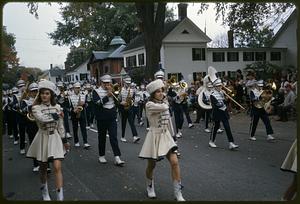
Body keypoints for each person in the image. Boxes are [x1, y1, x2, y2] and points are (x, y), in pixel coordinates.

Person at [139, 79, 185, 201]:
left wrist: (174, 139)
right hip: (154, 136)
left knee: (175, 162)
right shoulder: (149, 105)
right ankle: (150, 186)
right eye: (158, 92)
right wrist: (167, 99)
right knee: (151, 165)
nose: (161, 93)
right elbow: (164, 107)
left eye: (162, 91)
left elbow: (169, 121)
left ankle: (178, 192)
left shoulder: (164, 103)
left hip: (166, 135)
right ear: (153, 94)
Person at [26, 79, 70, 200]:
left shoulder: (57, 106)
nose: (44, 95)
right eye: (42, 93)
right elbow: (42, 119)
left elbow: (60, 126)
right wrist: (57, 115)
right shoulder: (35, 108)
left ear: (51, 95)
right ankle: (44, 191)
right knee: (43, 168)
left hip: (55, 137)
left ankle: (60, 197)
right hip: (43, 137)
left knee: (57, 167)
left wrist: (65, 141)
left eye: (47, 93)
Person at [92, 74, 125, 166]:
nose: (107, 85)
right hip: (102, 118)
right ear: (101, 83)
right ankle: (101, 155)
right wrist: (107, 95)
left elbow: (118, 101)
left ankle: (117, 157)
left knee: (113, 137)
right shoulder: (96, 91)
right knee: (102, 137)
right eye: (105, 83)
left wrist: (116, 95)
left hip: (112, 117)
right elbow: (98, 103)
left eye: (108, 83)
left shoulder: (114, 90)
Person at [209, 78, 239, 150]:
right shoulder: (212, 95)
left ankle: (231, 143)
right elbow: (217, 104)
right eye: (218, 86)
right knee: (215, 127)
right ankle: (211, 141)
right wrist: (224, 100)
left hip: (224, 112)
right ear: (215, 87)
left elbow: (226, 102)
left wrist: (227, 98)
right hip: (217, 112)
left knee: (227, 127)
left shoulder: (222, 92)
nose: (220, 87)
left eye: (220, 86)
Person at [20, 82, 40, 171]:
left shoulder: (42, 100)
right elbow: (22, 110)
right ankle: (36, 164)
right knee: (34, 144)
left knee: (43, 144)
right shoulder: (25, 101)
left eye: (36, 91)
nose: (35, 93)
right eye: (33, 91)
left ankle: (45, 165)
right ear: (30, 92)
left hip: (41, 125)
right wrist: (32, 106)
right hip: (31, 125)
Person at [68, 82, 91, 148]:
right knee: (75, 128)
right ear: (73, 88)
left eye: (79, 88)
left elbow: (87, 105)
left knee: (83, 128)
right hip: (74, 113)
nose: (78, 89)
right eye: (76, 88)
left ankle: (85, 142)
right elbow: (68, 107)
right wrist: (73, 110)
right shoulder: (70, 96)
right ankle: (76, 141)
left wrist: (84, 104)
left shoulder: (83, 95)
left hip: (82, 113)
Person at [119, 76, 140, 143]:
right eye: (127, 83)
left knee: (131, 122)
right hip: (123, 108)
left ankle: (135, 136)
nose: (128, 84)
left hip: (130, 108)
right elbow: (117, 100)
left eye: (129, 83)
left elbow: (133, 99)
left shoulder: (132, 90)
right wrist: (121, 103)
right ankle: (122, 136)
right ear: (124, 82)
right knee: (124, 123)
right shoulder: (120, 90)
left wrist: (132, 102)